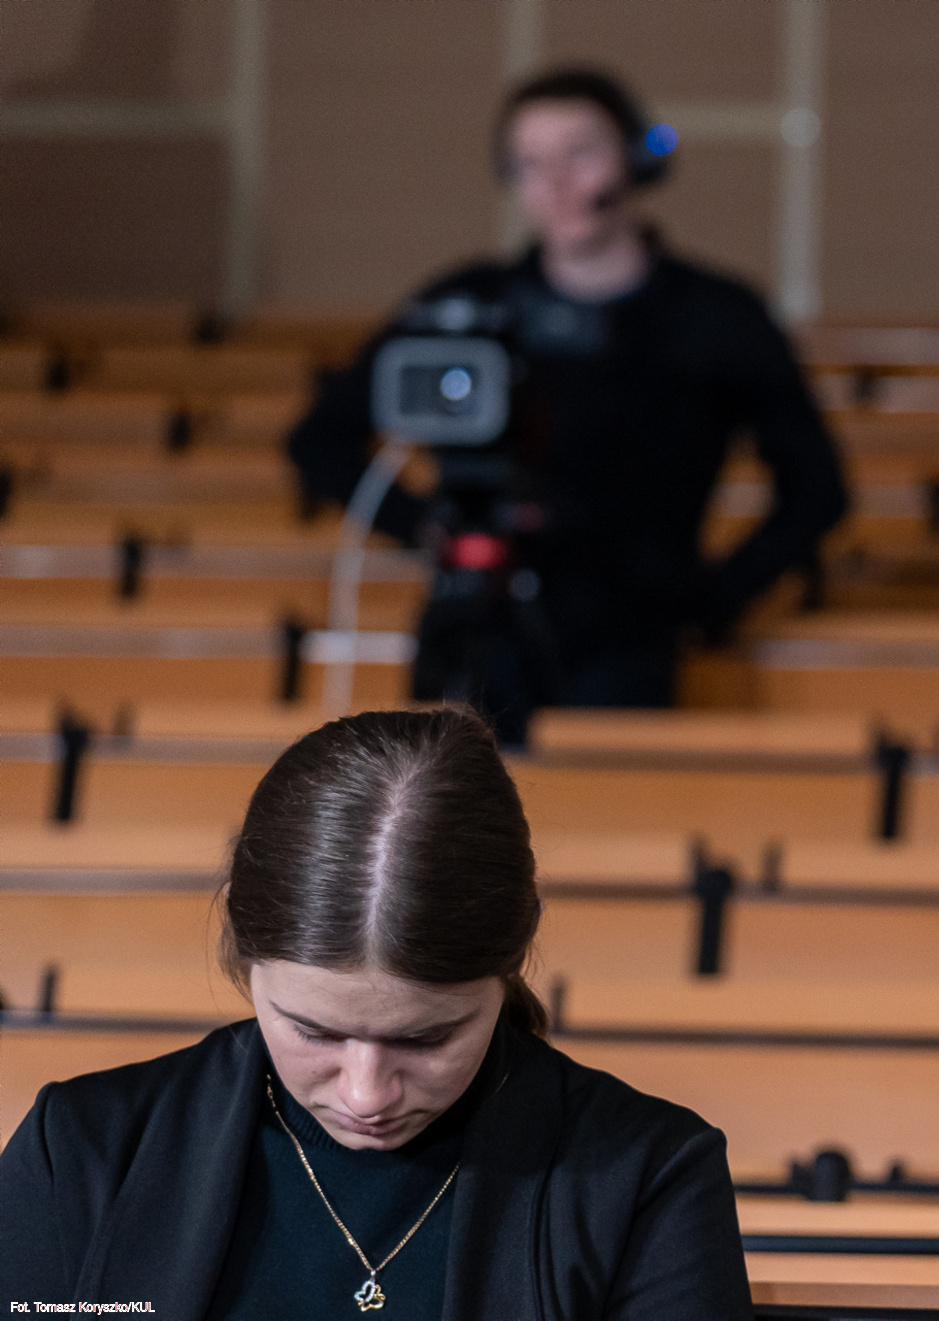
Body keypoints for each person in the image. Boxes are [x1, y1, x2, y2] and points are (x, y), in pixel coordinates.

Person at [0, 708, 753, 1319]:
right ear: (244, 956)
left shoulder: (651, 1174)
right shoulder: (81, 1150)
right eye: (314, 1031)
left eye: (426, 1038)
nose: (367, 1095)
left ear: (514, 960)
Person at [289, 68, 847, 726]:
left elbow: (816, 488)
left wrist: (712, 601)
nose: (555, 183)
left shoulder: (716, 315)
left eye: (580, 153)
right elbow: (319, 441)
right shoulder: (467, 302)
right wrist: (426, 529)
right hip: (478, 628)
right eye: (531, 163)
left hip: (630, 636)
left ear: (636, 159)